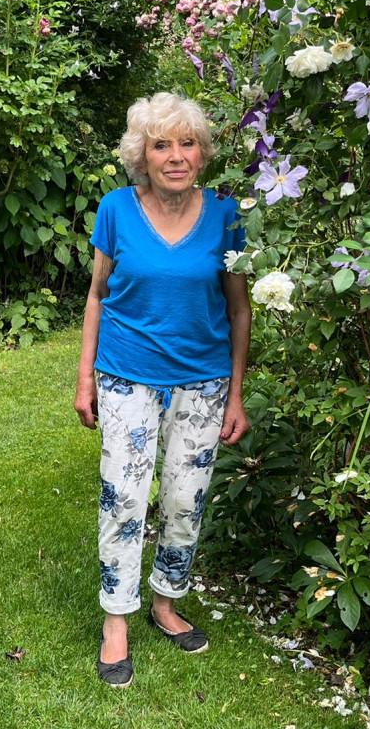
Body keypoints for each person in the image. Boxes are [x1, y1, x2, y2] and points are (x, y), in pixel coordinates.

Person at [75, 92, 251, 688]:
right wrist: (84, 378)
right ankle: (116, 619)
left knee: (184, 499)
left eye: (187, 143)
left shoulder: (227, 214)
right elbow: (97, 295)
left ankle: (165, 602)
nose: (175, 156)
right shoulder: (116, 210)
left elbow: (239, 307)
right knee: (123, 499)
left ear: (201, 153)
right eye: (161, 145)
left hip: (203, 381)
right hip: (126, 374)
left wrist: (235, 394)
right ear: (141, 155)